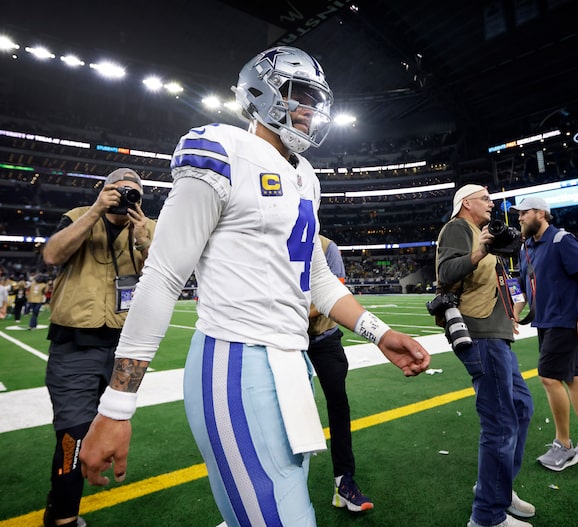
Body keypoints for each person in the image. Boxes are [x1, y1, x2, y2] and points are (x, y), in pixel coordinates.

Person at [78, 46, 430, 527]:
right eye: (297, 94)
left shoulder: (305, 176)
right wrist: (117, 407)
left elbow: (316, 276)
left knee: (272, 505)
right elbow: (162, 275)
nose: (309, 109)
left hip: (293, 361)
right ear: (260, 93)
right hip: (235, 360)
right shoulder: (221, 149)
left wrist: (379, 332)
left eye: (314, 98)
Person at [39, 167, 155, 527]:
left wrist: (144, 239)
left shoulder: (148, 228)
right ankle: (63, 518)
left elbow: (166, 278)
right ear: (104, 190)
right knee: (74, 432)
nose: (125, 197)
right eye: (119, 190)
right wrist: (94, 211)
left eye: (133, 191)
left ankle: (57, 505)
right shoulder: (77, 217)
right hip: (74, 341)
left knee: (109, 426)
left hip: (122, 345)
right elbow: (52, 256)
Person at [435, 184, 535, 527]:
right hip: (479, 333)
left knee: (521, 408)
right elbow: (446, 273)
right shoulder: (457, 228)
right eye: (486, 199)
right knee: (501, 422)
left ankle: (499, 489)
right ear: (466, 203)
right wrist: (478, 252)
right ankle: (488, 516)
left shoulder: (479, 232)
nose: (492, 204)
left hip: (496, 332)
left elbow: (499, 275)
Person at [511, 196, 578, 473]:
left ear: (541, 214)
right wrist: (514, 313)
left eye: (524, 213)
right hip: (546, 321)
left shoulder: (561, 240)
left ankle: (564, 446)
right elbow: (522, 285)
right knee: (572, 378)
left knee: (549, 376)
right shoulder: (526, 247)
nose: (519, 218)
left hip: (565, 321)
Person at [306, 234, 373, 513]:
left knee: (338, 405)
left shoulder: (326, 246)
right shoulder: (270, 235)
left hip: (323, 337)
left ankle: (344, 482)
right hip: (284, 340)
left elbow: (333, 296)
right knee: (285, 408)